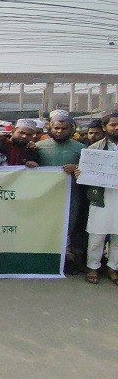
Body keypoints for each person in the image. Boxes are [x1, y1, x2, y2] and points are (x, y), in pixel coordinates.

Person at [37, 110, 86, 264]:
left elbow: (89, 171)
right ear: (50, 128)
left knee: (67, 226)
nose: (59, 131)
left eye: (64, 128)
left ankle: (65, 259)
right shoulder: (38, 147)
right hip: (45, 196)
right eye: (56, 128)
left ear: (72, 129)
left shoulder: (81, 148)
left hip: (71, 196)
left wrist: (76, 167)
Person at [76, 112, 118, 285]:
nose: (116, 128)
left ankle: (113, 267)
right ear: (105, 127)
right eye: (113, 124)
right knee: (97, 233)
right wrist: (80, 173)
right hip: (101, 196)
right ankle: (93, 267)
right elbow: (85, 172)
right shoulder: (94, 149)